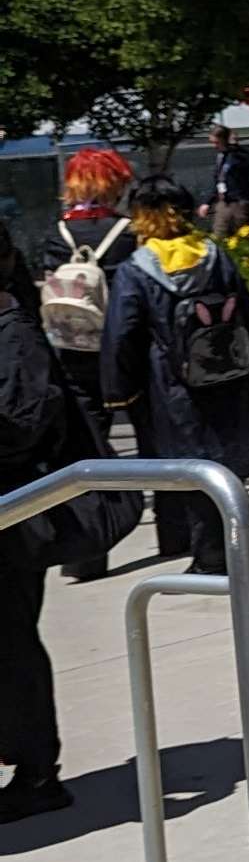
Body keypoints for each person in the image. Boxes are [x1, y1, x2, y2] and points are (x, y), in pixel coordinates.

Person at [100, 181, 249, 569]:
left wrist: (118, 391)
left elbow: (122, 333)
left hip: (170, 381)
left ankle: (208, 557)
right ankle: (215, 544)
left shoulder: (135, 270)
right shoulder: (214, 255)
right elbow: (245, 309)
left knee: (185, 461)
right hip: (226, 371)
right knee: (222, 458)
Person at [0, 227, 75, 819]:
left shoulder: (15, 333)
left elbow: (24, 426)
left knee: (11, 644)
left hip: (13, 522)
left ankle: (37, 772)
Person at [37, 147, 134, 456]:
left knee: (88, 425)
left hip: (71, 342)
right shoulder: (127, 232)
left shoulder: (58, 232)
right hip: (118, 342)